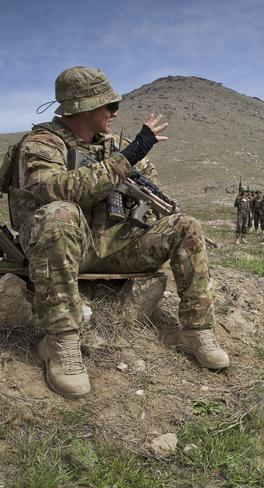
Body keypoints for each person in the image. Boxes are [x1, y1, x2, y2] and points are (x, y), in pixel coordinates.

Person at [8, 66, 229, 398]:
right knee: (60, 214)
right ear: (82, 107)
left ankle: (197, 329)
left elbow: (149, 187)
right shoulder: (42, 143)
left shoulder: (115, 147)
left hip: (112, 247)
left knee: (186, 226)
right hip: (66, 249)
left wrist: (138, 191)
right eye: (108, 105)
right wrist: (127, 159)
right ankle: (61, 341)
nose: (115, 112)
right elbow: (54, 190)